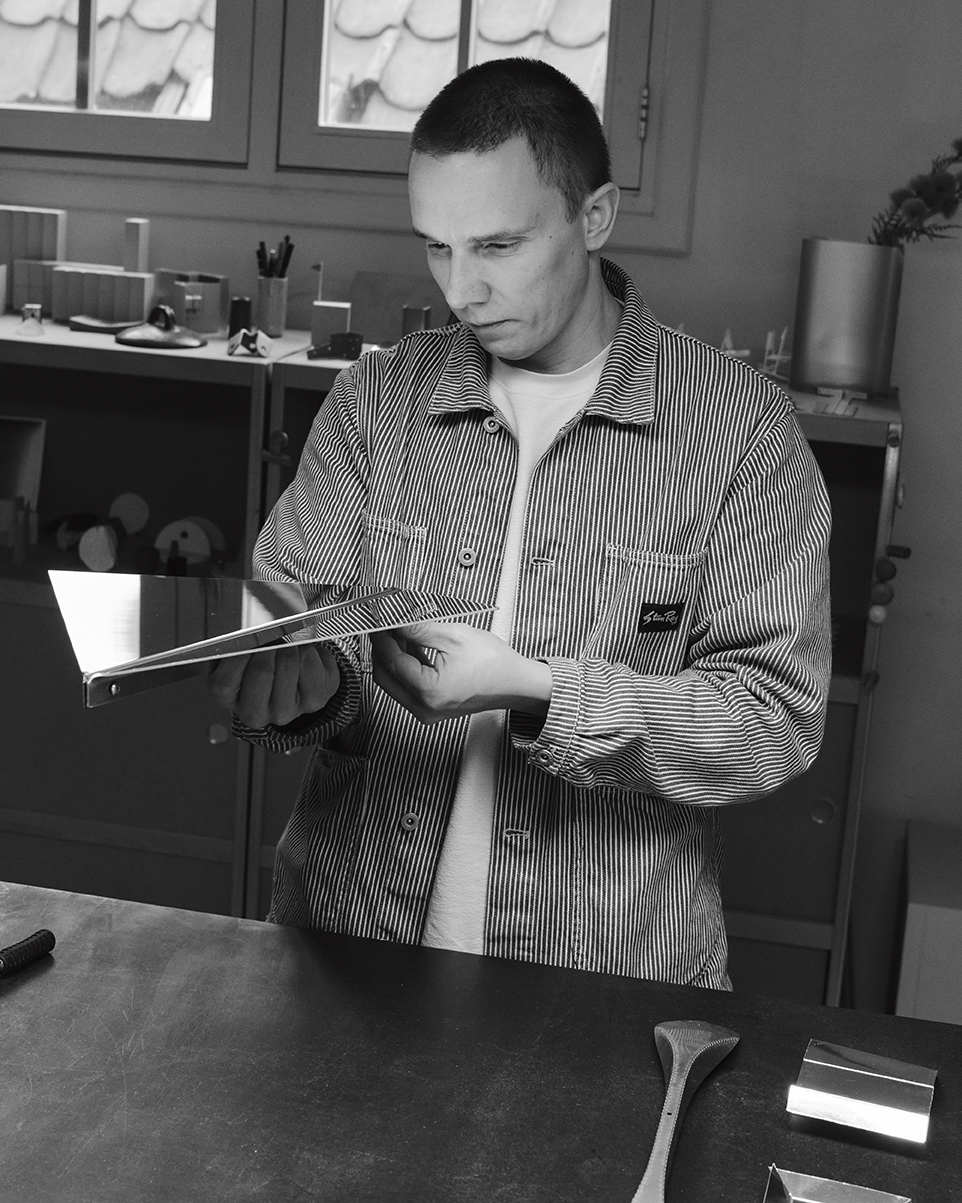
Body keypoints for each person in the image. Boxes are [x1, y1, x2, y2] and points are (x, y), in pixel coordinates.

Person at [210, 57, 831, 990]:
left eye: (497, 247)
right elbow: (302, 629)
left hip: (602, 987)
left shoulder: (737, 431)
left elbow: (772, 719)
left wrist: (542, 691)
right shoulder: (376, 402)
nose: (462, 291)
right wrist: (298, 687)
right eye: (437, 247)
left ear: (595, 217)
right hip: (345, 957)